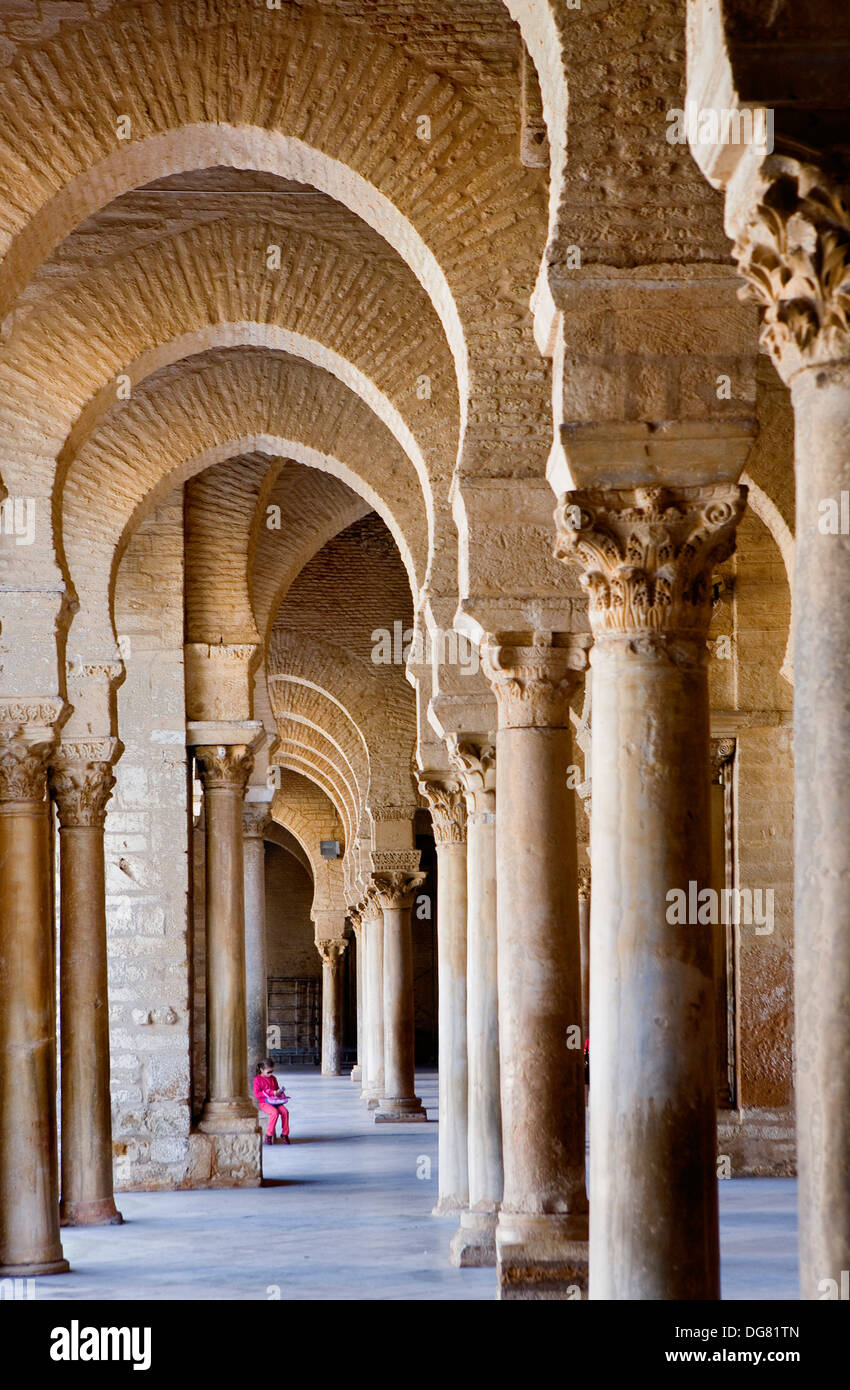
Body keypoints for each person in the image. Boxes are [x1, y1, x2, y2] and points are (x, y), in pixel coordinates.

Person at [253, 1059, 291, 1145]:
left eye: (272, 1071)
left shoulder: (273, 1078)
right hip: (264, 1103)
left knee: (285, 1112)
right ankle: (269, 1135)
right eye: (269, 1071)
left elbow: (276, 1088)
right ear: (262, 1070)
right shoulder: (257, 1079)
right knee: (274, 1113)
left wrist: (279, 1092)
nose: (271, 1073)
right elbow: (257, 1094)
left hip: (276, 1101)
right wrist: (271, 1092)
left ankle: (285, 1134)